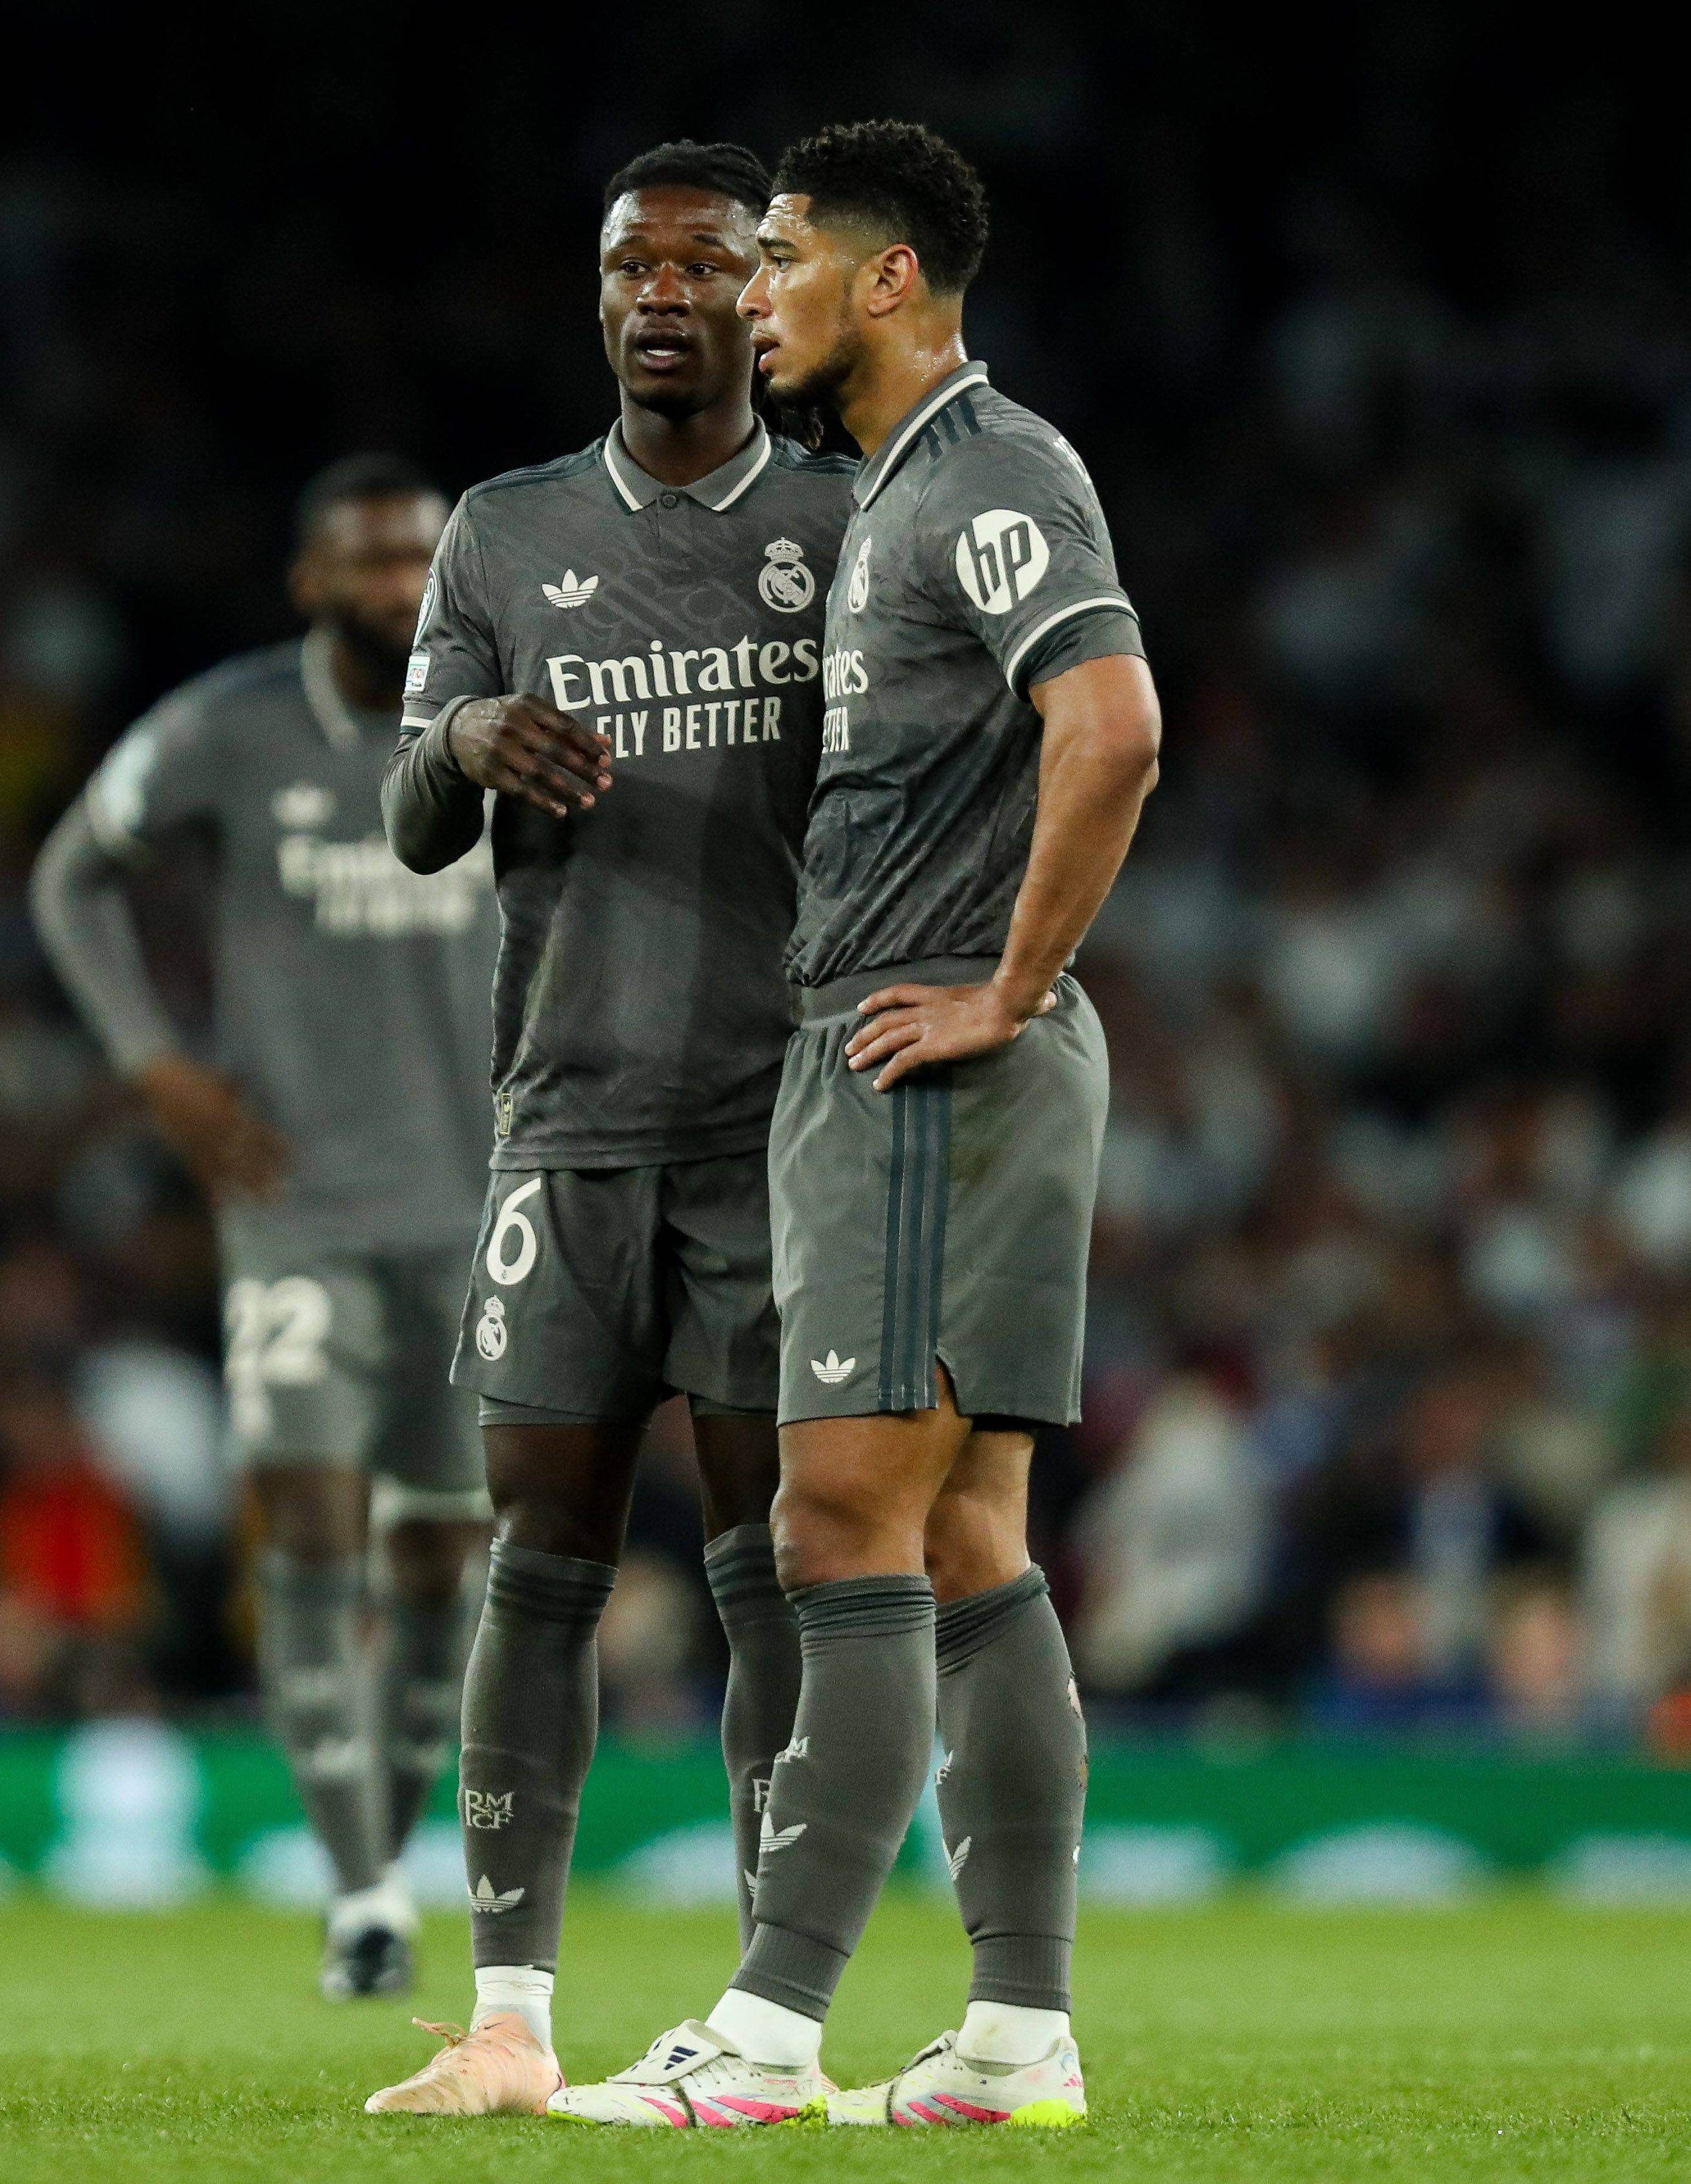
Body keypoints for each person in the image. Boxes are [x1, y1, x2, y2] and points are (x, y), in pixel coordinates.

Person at [555, 119, 1162, 2130]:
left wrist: (1002, 984)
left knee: (841, 1526)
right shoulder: (898, 490)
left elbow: (1114, 722)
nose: (748, 293)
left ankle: (763, 2034)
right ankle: (1012, 2036)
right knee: (969, 1539)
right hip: (908, 1064)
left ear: (886, 281)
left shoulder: (989, 474)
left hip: (926, 1066)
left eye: (782, 258)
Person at [360, 140, 852, 2117]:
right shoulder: (499, 531)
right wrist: (468, 738)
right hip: (562, 1128)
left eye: (701, 265)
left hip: (768, 1126)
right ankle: (505, 2021)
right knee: (539, 1555)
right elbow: (407, 809)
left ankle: (758, 2025)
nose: (660, 293)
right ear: (595, 301)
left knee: (768, 1564)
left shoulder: (847, 518)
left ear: (763, 298)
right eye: (626, 267)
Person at [30, 456, 496, 1999]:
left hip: (481, 1211)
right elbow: (71, 876)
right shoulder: (226, 727)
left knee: (440, 1566)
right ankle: (361, 1890)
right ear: (310, 581)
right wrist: (154, 1063)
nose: (395, 587)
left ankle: (388, 1845)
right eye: (365, 562)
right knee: (304, 1517)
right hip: (297, 1212)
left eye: (416, 562)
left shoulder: (506, 724)